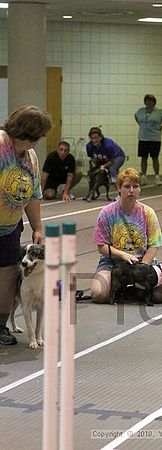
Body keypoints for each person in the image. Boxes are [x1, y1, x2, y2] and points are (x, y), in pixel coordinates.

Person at [0, 105, 51, 345]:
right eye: (39, 135)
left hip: (10, 227)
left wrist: (37, 227)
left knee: (8, 277)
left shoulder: (31, 157)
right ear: (28, 132)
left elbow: (34, 194)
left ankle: (0, 326)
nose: (39, 140)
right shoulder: (0, 146)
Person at [91, 167, 162, 304]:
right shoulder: (107, 213)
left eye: (135, 186)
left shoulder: (148, 213)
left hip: (142, 263)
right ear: (119, 188)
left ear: (140, 189)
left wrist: (142, 269)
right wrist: (123, 255)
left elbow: (154, 245)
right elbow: (102, 247)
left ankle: (129, 291)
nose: (131, 191)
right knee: (99, 294)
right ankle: (127, 289)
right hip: (114, 264)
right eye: (127, 186)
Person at [134, 94, 162, 186]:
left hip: (155, 138)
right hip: (143, 137)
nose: (149, 102)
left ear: (154, 102)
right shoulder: (141, 111)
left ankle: (157, 177)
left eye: (151, 101)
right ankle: (144, 176)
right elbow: (136, 116)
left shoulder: (159, 112)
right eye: (147, 100)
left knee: (155, 157)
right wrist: (141, 125)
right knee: (143, 157)